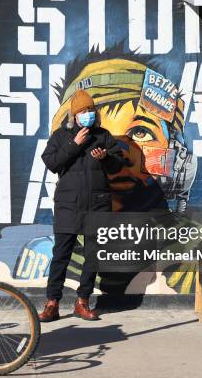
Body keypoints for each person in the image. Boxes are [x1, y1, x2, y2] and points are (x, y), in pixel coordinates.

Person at [40, 90, 124, 322]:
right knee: (61, 255)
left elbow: (118, 166)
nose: (87, 115)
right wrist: (74, 145)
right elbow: (52, 162)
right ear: (74, 115)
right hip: (68, 205)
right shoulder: (61, 136)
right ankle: (52, 303)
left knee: (92, 255)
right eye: (82, 111)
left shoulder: (103, 136)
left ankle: (82, 301)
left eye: (90, 110)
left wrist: (106, 157)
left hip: (97, 205)